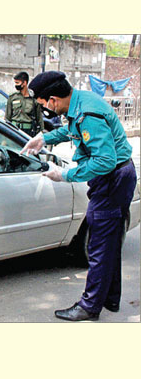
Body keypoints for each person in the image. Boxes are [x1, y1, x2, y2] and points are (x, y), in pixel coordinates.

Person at [21, 71, 136, 321]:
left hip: (112, 179)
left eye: (43, 104)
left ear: (52, 99)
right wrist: (44, 137)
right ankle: (110, 298)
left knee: (98, 245)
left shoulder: (88, 115)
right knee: (109, 243)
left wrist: (66, 175)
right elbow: (72, 129)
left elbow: (105, 161)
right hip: (117, 176)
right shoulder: (80, 100)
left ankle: (89, 306)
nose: (45, 109)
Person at [5, 71, 44, 137]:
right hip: (15, 130)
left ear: (24, 83)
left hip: (28, 131)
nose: (16, 85)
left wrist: (41, 135)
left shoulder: (33, 99)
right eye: (15, 83)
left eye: (17, 83)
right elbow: (7, 118)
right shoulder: (12, 97)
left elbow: (39, 119)